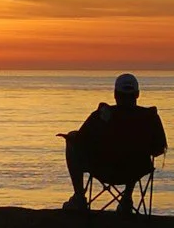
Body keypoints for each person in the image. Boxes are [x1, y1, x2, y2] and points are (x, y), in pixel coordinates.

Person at [61, 74, 167, 213]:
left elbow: (81, 141)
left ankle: (79, 197)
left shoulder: (102, 114)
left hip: (102, 169)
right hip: (135, 170)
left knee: (72, 138)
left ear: (115, 94)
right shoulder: (149, 117)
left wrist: (71, 138)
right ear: (137, 94)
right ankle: (127, 199)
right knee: (133, 157)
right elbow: (159, 148)